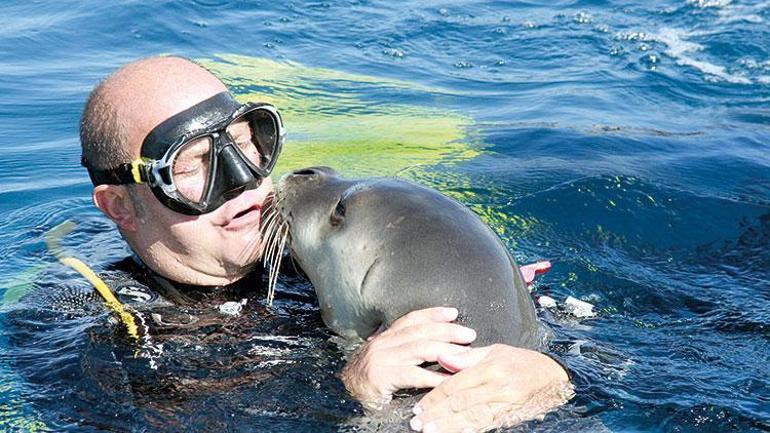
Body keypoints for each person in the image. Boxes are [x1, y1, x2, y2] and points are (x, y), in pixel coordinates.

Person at [79, 56, 573, 433]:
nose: (245, 184)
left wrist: (546, 374)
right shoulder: (98, 331)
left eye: (245, 144)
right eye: (191, 166)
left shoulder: (301, 254)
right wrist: (352, 392)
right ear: (120, 206)